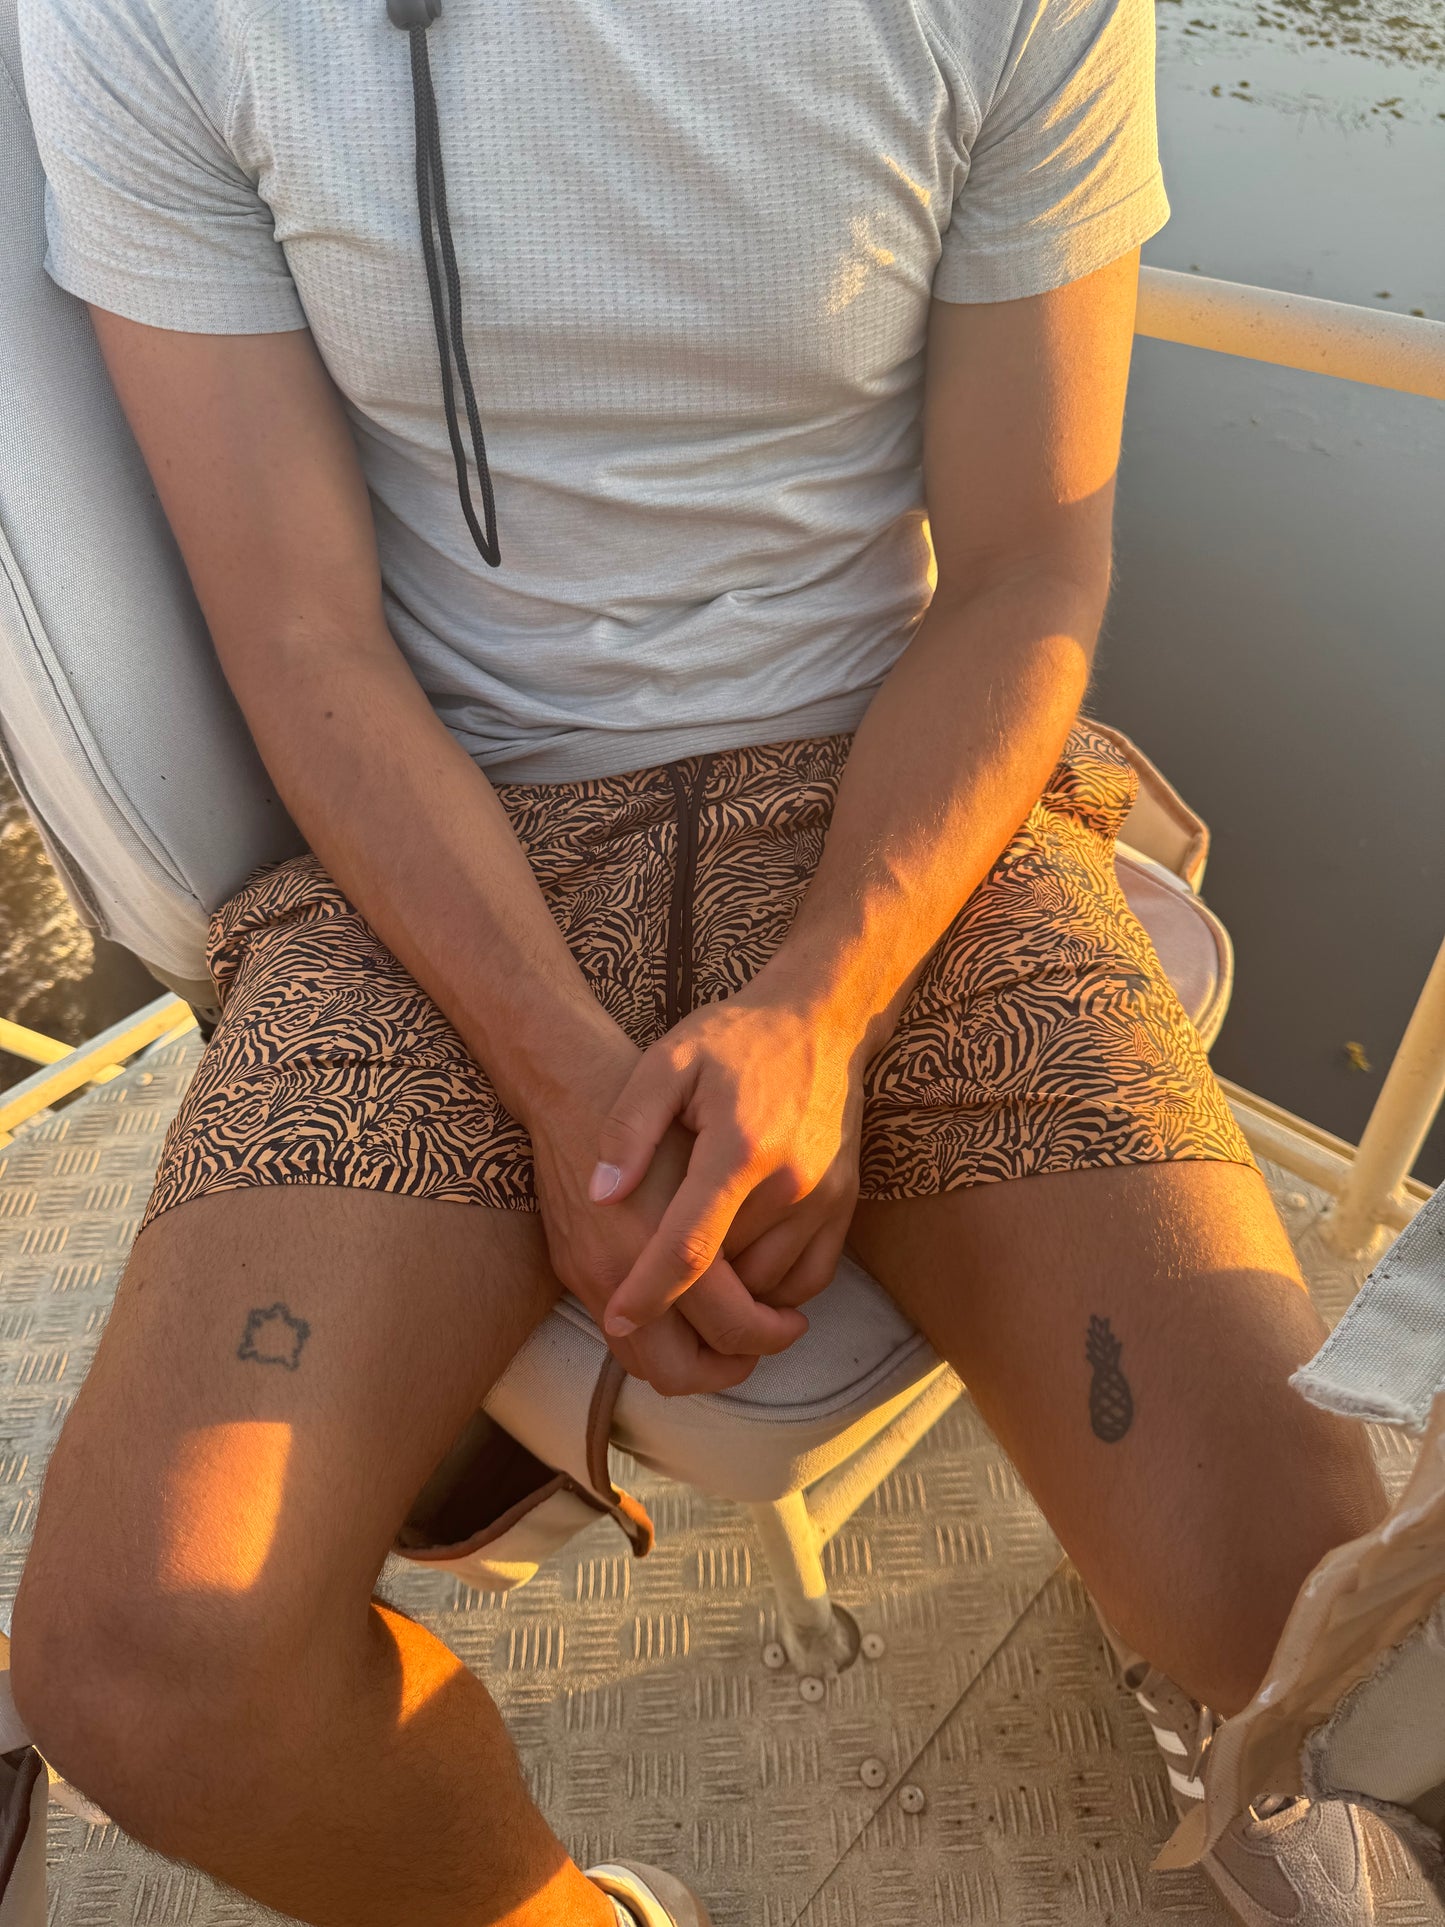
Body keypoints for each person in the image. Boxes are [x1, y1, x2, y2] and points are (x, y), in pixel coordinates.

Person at [9, 0, 1389, 1917]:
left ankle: (1197, 1672)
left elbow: (1018, 571)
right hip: (444, 828)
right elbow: (301, 632)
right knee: (141, 1671)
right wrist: (557, 1062)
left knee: (1330, 1605)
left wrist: (825, 998)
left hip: (892, 801)